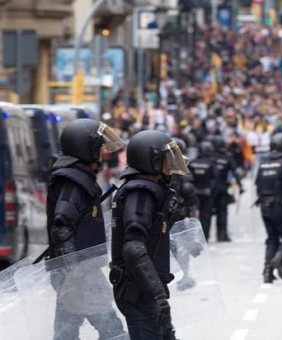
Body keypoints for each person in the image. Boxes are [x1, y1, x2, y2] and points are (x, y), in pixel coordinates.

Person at [47, 118, 126, 339]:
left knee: (66, 333)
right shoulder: (73, 181)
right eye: (98, 146)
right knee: (112, 331)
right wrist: (75, 273)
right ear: (86, 148)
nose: (103, 151)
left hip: (81, 271)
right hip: (80, 273)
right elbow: (62, 226)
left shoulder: (79, 177)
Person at [109, 130, 190, 339]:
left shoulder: (148, 189)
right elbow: (133, 248)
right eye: (166, 158)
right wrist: (157, 296)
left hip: (146, 288)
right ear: (151, 160)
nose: (171, 164)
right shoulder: (141, 193)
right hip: (139, 291)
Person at [255, 133, 282, 283]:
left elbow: (257, 184)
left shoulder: (263, 162)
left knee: (272, 239)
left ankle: (267, 272)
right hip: (279, 205)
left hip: (264, 206)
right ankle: (278, 259)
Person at [169, 137, 199, 291]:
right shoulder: (182, 171)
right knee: (182, 249)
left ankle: (181, 277)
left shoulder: (163, 169)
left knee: (177, 248)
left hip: (171, 216)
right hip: (177, 216)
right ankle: (182, 277)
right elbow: (190, 191)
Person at [211, 135, 244, 242]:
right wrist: (240, 186)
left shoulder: (209, 156)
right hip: (222, 188)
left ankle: (205, 236)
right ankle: (222, 236)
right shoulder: (227, 157)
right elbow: (236, 172)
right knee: (222, 212)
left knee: (205, 214)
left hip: (210, 189)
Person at [188, 141, 218, 240]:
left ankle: (192, 237)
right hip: (207, 193)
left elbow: (189, 178)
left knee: (192, 216)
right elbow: (215, 179)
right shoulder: (211, 163)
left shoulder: (192, 163)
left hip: (194, 193)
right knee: (206, 216)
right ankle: (205, 237)